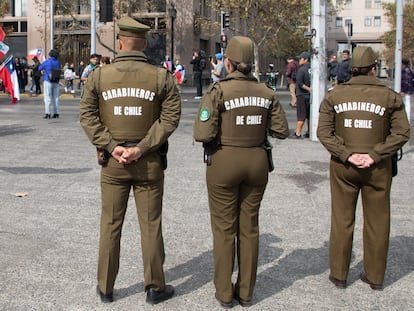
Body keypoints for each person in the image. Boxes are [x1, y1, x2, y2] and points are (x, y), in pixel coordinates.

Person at [79, 16, 181, 305]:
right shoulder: (161, 77)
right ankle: (154, 287)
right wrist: (144, 147)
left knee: (110, 224)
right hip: (148, 163)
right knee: (151, 225)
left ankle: (106, 287)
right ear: (145, 44)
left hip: (113, 164)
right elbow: (170, 118)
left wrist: (111, 146)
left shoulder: (99, 76)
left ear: (120, 43)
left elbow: (87, 116)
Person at [193, 36, 289, 308]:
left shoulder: (218, 90)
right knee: (250, 228)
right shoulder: (267, 92)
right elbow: (281, 130)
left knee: (224, 229)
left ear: (229, 63)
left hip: (224, 160)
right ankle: (246, 292)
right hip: (257, 161)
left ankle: (224, 292)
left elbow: (203, 132)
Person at [317, 46, 410, 290]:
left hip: (343, 166)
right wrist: (375, 154)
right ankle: (375, 277)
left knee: (342, 220)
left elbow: (324, 133)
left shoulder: (335, 95)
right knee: (378, 222)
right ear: (373, 69)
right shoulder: (390, 97)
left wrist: (347, 154)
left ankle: (339, 274)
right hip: (378, 167)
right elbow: (402, 132)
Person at [292, 51, 311, 138]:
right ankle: (309, 131)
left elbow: (299, 83)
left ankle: (298, 132)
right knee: (309, 115)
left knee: (301, 115)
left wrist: (309, 89)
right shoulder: (313, 69)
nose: (299, 60)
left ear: (305, 60)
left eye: (301, 58)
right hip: (310, 97)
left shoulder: (301, 70)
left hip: (302, 95)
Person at [39, 49, 61, 119]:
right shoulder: (58, 62)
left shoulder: (47, 61)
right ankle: (56, 113)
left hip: (47, 80)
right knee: (56, 98)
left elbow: (39, 68)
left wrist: (44, 69)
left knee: (47, 97)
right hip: (56, 81)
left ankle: (47, 113)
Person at [400, 58, 412, 123]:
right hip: (409, 90)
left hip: (405, 91)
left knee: (406, 104)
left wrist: (403, 90)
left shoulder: (404, 71)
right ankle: (407, 119)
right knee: (408, 104)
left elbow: (405, 81)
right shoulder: (410, 71)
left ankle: (406, 119)